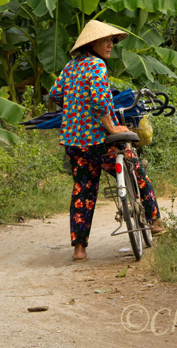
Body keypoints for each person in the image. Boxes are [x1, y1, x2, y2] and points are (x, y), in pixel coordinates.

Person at [49, 20, 164, 262]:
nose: (111, 44)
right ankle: (155, 220)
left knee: (83, 191)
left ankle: (79, 249)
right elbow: (101, 102)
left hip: (74, 141)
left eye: (112, 40)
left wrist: (74, 106)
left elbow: (55, 94)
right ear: (92, 44)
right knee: (135, 167)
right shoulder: (97, 66)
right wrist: (111, 126)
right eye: (106, 40)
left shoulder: (70, 68)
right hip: (101, 140)